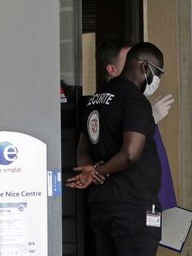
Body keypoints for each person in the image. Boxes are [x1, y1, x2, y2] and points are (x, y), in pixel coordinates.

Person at [67, 42, 165, 256]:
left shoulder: (97, 98)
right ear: (145, 67)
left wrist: (89, 170)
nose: (158, 80)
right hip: (132, 208)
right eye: (158, 73)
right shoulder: (135, 100)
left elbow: (83, 146)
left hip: (102, 205)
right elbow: (130, 154)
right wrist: (97, 172)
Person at [97, 39, 177, 210]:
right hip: (130, 203)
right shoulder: (117, 102)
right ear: (112, 69)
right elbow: (126, 152)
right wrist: (149, 118)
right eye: (128, 61)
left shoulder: (135, 101)